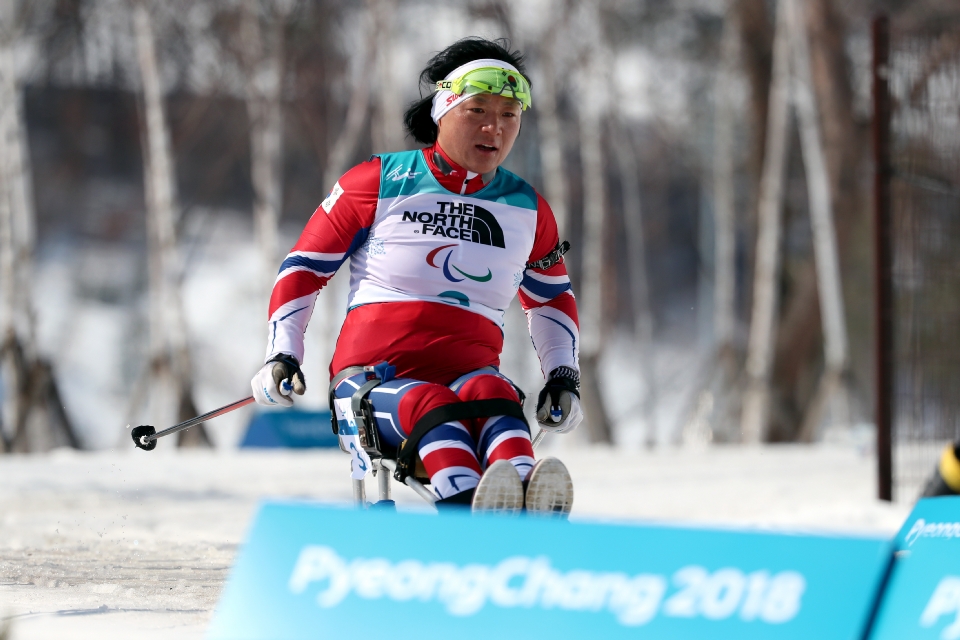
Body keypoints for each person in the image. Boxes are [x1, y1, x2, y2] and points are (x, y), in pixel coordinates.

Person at [250, 37, 582, 515]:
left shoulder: (527, 208)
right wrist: (282, 352)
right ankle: (468, 515)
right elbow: (304, 269)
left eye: (510, 114)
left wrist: (563, 376)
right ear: (442, 110)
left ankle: (527, 510)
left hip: (470, 377)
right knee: (431, 405)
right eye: (478, 110)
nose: (495, 127)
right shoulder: (378, 180)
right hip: (373, 382)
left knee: (495, 394)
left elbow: (550, 299)